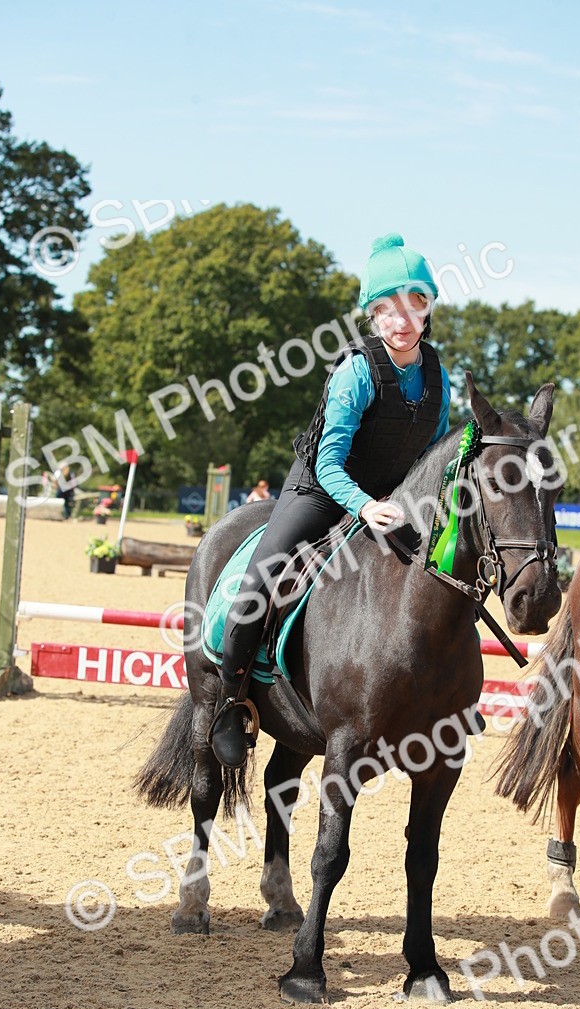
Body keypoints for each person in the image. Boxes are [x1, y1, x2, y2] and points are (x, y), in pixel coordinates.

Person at [210, 233, 451, 768]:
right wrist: (363, 506)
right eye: (385, 308)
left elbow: (433, 455)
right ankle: (232, 703)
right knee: (259, 580)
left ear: (428, 307)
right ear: (371, 317)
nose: (401, 319)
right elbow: (328, 462)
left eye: (415, 303)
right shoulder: (356, 371)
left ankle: (448, 689)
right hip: (321, 492)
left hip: (390, 501)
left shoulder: (438, 376)